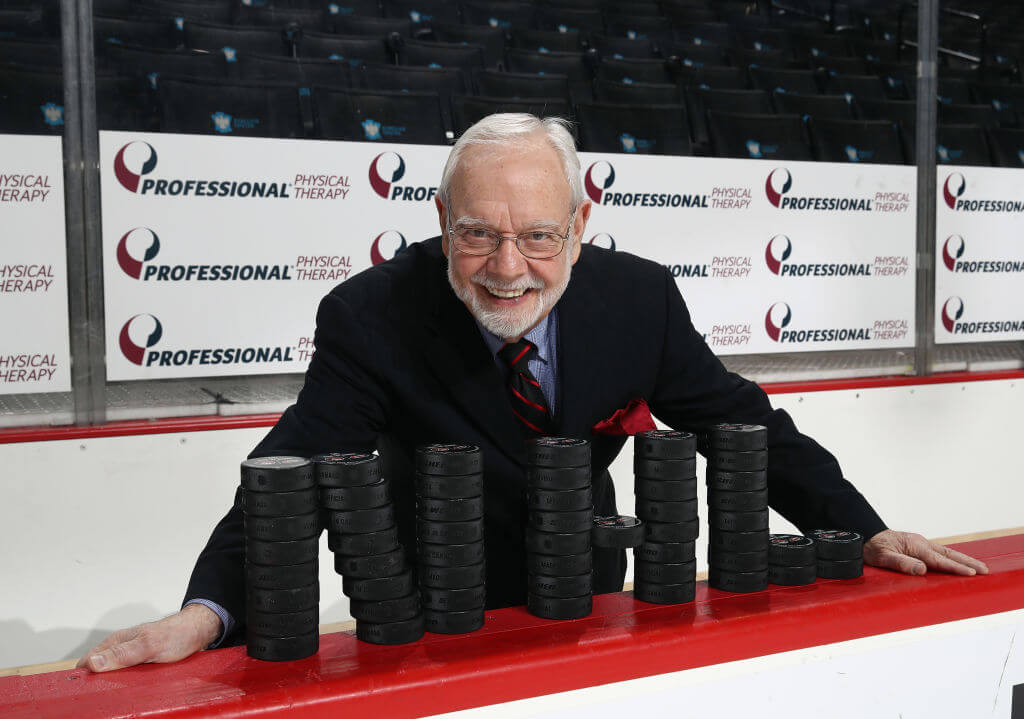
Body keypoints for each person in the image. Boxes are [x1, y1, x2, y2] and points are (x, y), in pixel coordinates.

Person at [78, 113, 988, 673]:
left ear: (582, 225)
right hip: (432, 618)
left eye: (540, 238)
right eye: (477, 235)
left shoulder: (640, 301)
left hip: (595, 603)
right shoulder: (370, 316)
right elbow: (294, 467)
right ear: (440, 222)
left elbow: (739, 419)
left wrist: (863, 526)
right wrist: (207, 614)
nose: (508, 270)